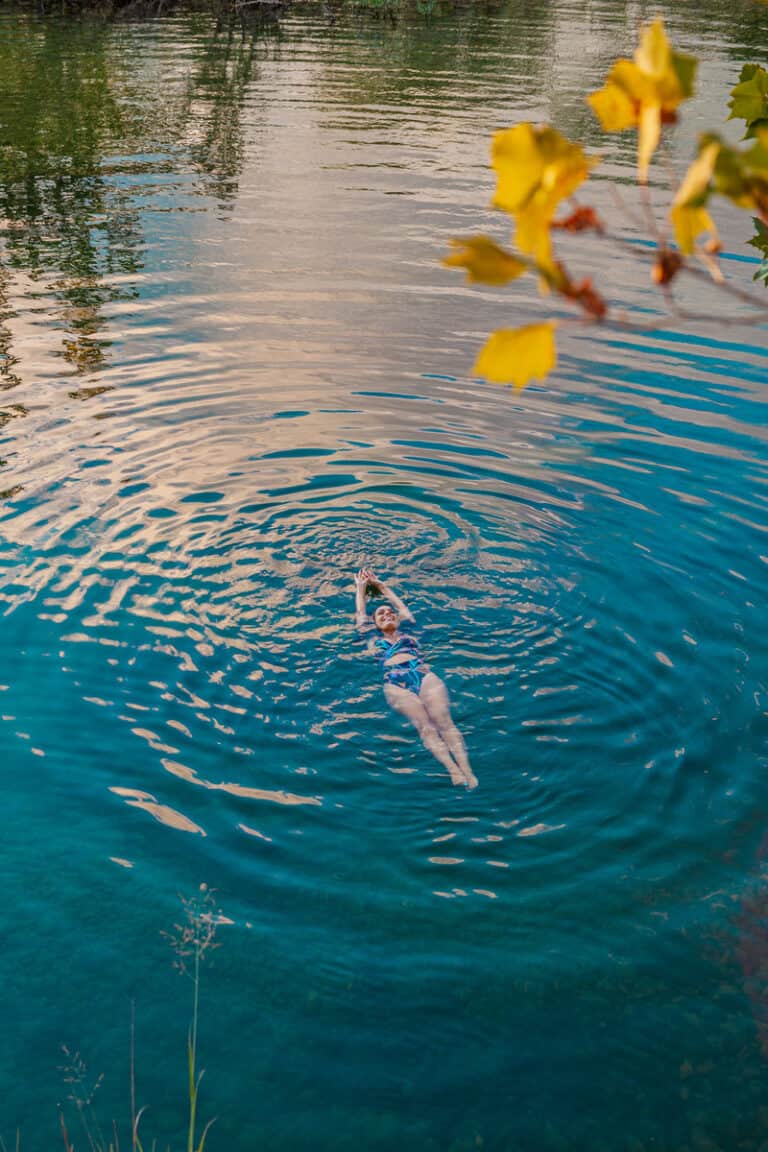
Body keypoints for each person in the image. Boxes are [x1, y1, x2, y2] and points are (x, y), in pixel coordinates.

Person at [354, 567, 477, 789]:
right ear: (375, 624)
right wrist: (361, 588)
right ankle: (453, 770)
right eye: (380, 614)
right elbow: (361, 615)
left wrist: (382, 586)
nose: (386, 614)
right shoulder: (371, 637)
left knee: (445, 722)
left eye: (389, 613)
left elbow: (401, 607)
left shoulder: (409, 631)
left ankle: (467, 770)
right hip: (395, 683)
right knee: (425, 726)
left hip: (423, 674)